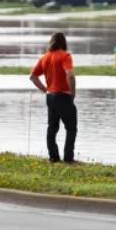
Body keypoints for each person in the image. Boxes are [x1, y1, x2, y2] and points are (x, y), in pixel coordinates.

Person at [30, 32, 78, 163]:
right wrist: (72, 92)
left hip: (50, 97)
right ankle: (68, 159)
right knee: (71, 128)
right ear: (64, 43)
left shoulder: (44, 57)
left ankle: (53, 157)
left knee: (52, 128)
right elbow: (70, 75)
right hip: (63, 96)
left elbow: (33, 77)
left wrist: (46, 90)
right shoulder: (65, 56)